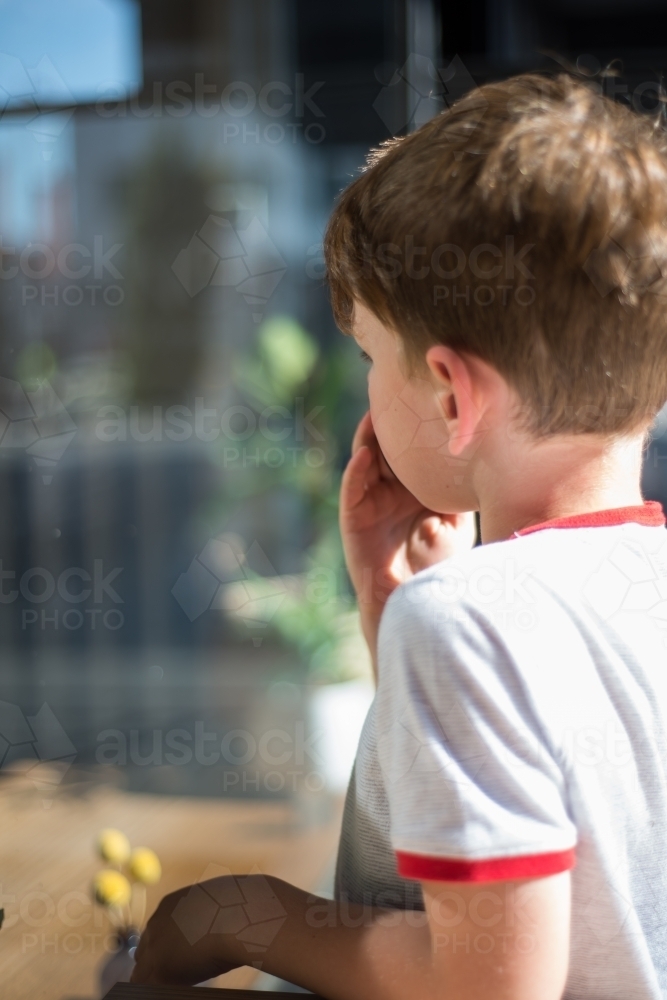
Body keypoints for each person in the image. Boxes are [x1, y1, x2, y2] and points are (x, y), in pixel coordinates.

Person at [131, 72, 667, 999]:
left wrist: (243, 914)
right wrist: (390, 607)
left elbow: (485, 984)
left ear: (453, 397)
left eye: (372, 355)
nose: (368, 389)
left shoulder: (467, 621)